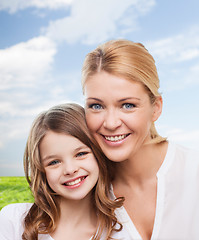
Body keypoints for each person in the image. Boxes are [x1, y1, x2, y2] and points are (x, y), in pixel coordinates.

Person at [81, 39, 199, 240]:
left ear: (156, 108)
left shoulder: (193, 170)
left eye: (127, 105)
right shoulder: (83, 190)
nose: (110, 123)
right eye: (97, 106)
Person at [0, 103, 133, 240]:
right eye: (54, 162)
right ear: (41, 171)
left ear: (99, 154)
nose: (70, 170)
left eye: (80, 154)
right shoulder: (14, 221)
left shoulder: (123, 231)